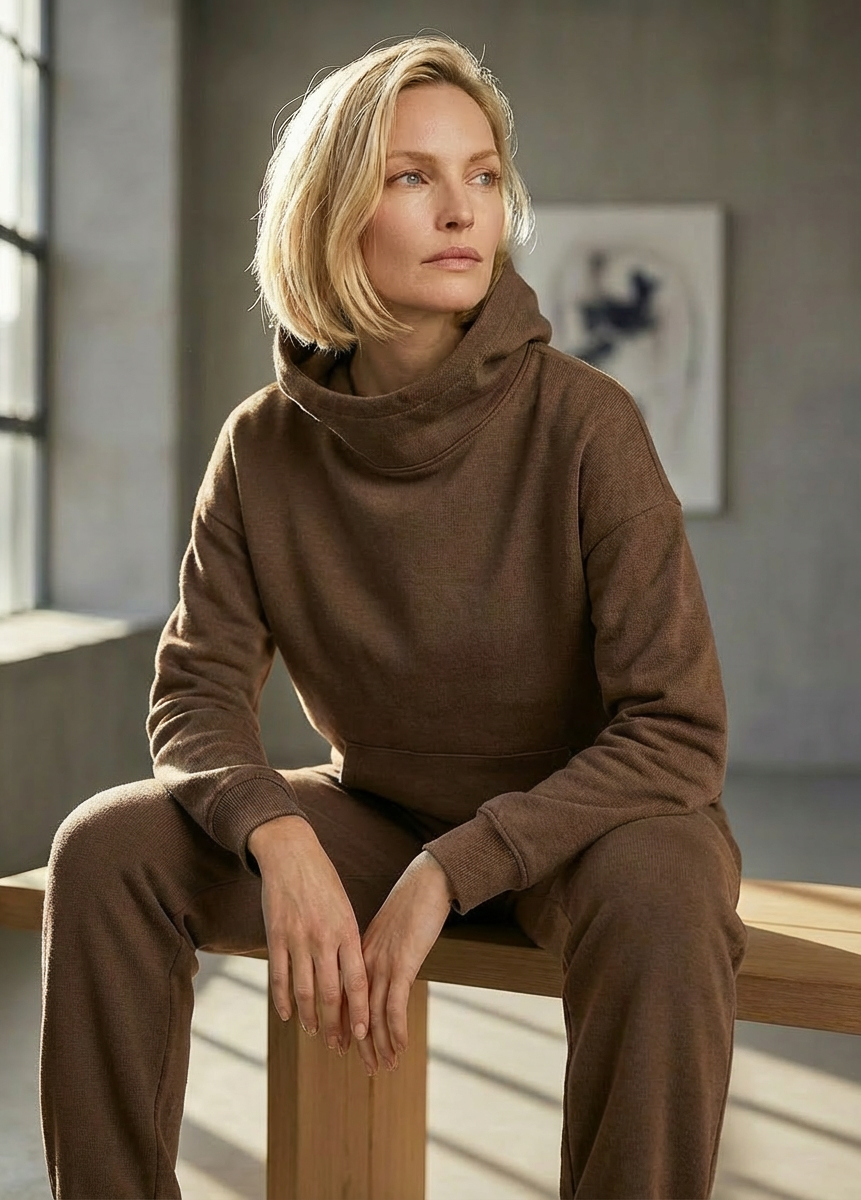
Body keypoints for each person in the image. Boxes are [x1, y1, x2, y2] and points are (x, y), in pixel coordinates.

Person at [40, 34, 747, 1200]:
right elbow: (197, 690)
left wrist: (448, 870)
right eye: (412, 176)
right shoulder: (261, 445)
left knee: (664, 896)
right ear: (331, 208)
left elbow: (674, 732)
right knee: (103, 849)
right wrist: (277, 832)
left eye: (479, 174)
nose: (461, 208)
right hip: (375, 807)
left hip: (593, 828)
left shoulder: (586, 425)